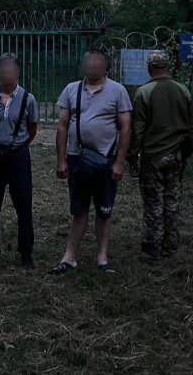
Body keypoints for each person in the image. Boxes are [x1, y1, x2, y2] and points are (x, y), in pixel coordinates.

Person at [52, 49, 132, 274]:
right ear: (84, 66)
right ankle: (70, 256)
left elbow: (126, 128)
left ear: (105, 67)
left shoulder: (118, 90)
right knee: (79, 209)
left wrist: (119, 162)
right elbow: (62, 126)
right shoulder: (71, 89)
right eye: (89, 64)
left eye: (97, 64)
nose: (93, 67)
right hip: (78, 159)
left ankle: (102, 257)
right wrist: (61, 160)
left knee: (104, 211)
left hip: (106, 161)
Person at [127, 51, 193, 261]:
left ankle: (152, 249)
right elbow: (191, 127)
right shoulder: (183, 90)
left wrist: (133, 157)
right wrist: (185, 153)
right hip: (177, 155)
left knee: (153, 203)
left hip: (153, 155)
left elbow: (138, 130)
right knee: (172, 202)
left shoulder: (144, 92)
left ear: (149, 69)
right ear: (169, 67)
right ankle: (170, 246)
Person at [0, 53, 39, 270]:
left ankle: (26, 253)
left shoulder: (28, 99)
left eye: (11, 69)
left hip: (19, 156)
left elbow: (32, 130)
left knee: (24, 205)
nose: (7, 73)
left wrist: (16, 147)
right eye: (3, 69)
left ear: (18, 72)